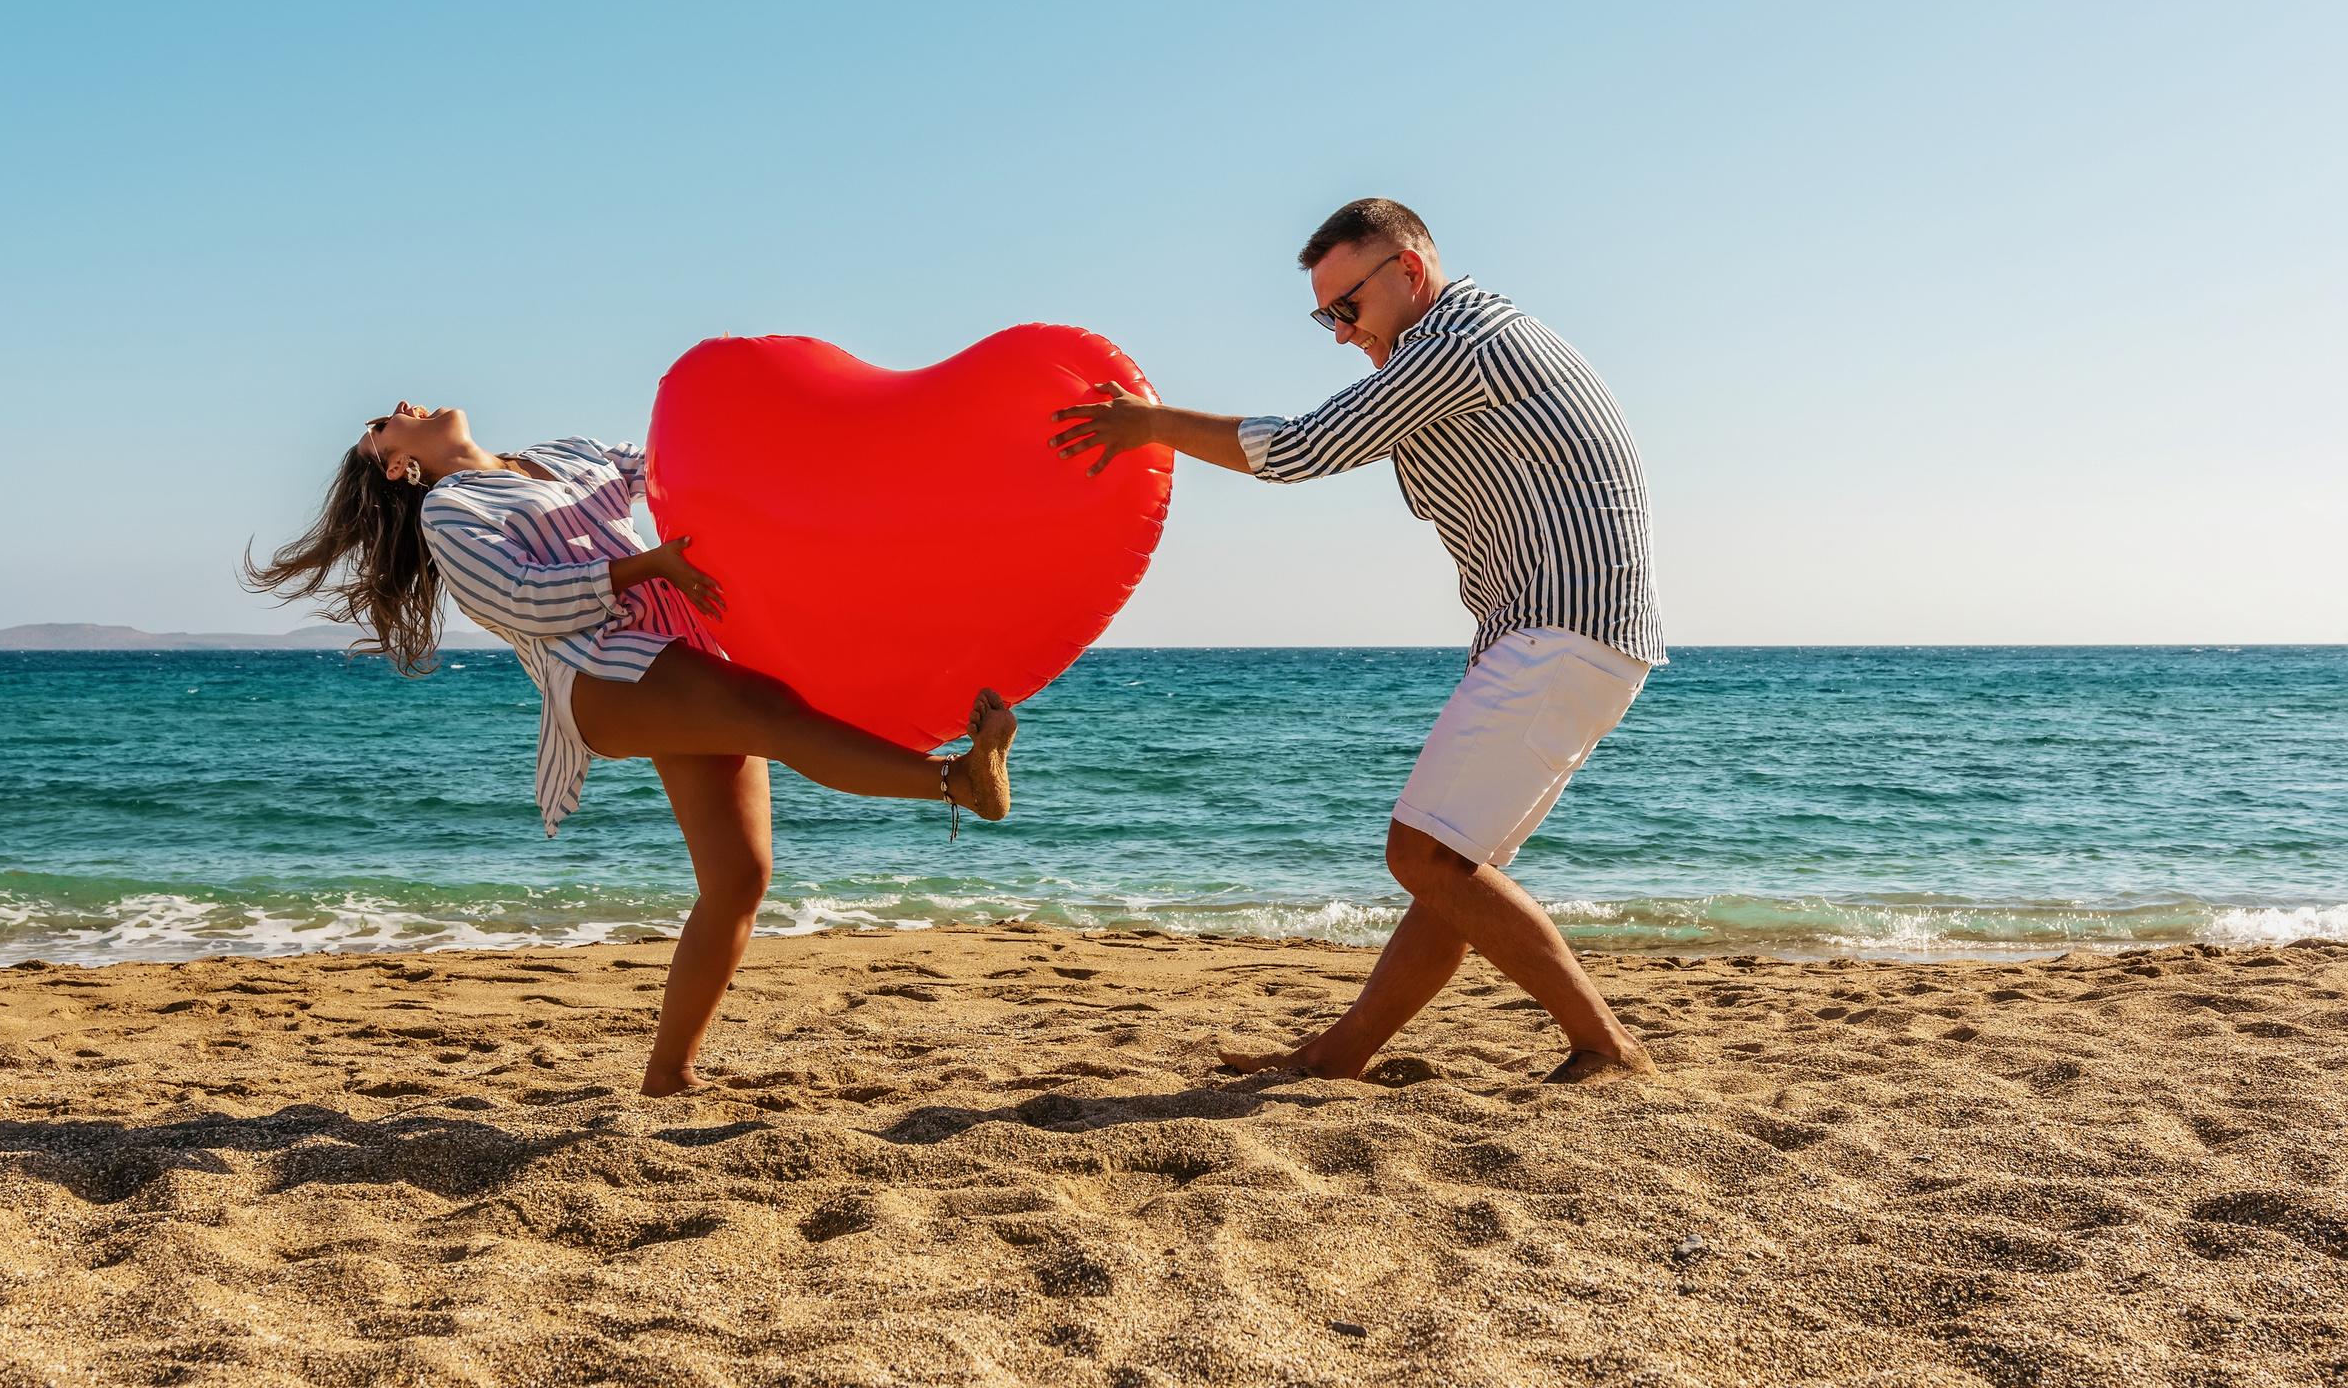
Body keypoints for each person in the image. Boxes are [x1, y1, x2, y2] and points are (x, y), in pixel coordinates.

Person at [1050, 199, 1663, 1084]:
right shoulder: (1465, 339)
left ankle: (1607, 1045)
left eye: (1349, 307)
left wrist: (1151, 426)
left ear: (1409, 272)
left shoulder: (1458, 342)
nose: (1340, 332)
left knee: (1424, 856)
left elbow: (1303, 448)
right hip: (1567, 631)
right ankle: (1339, 1056)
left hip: (1562, 626)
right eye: (1324, 315)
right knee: (1452, 868)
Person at [247, 402, 1017, 1095]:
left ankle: (667, 1076)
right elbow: (521, 598)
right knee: (771, 711)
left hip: (678, 647)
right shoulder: (449, 511)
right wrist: (647, 564)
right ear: (395, 464)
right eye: (385, 418)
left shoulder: (561, 454)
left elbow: (665, 466)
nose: (406, 404)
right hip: (601, 673)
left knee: (739, 878)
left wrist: (756, 434)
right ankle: (954, 781)